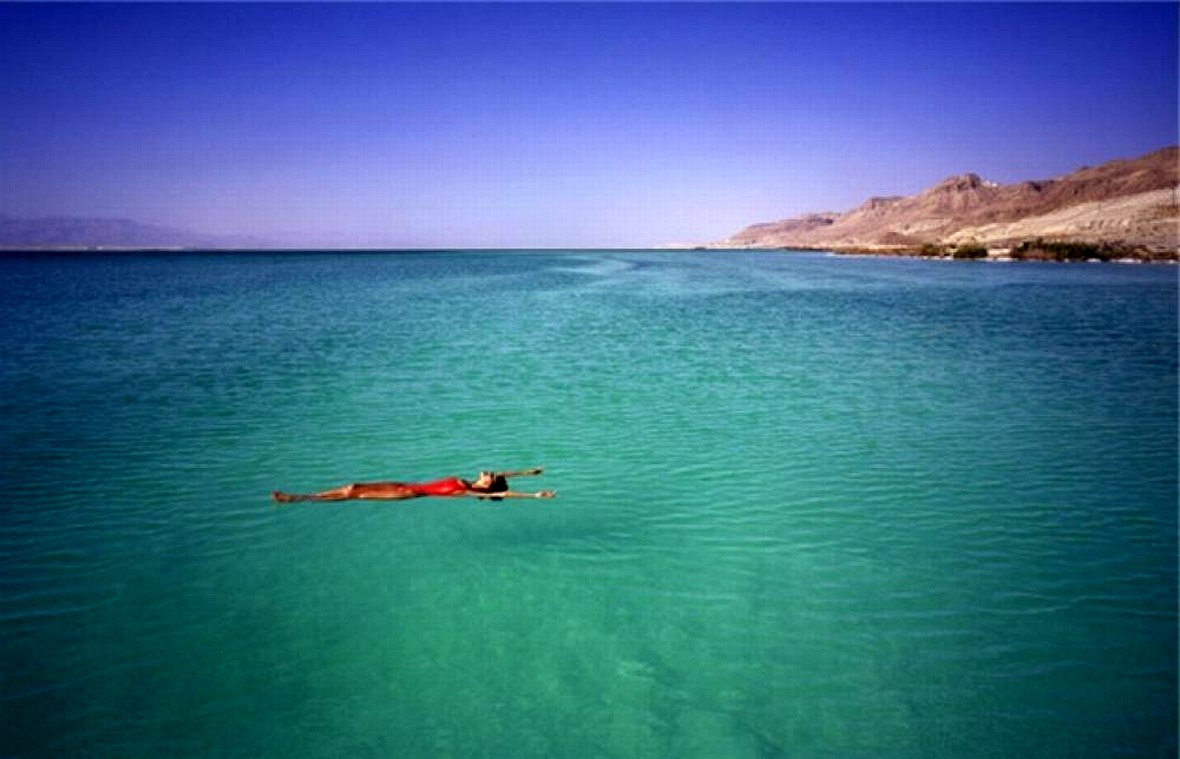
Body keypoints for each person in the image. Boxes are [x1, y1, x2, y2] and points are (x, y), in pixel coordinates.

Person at [272, 467, 555, 503]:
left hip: (406, 493)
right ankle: (305, 496)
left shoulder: (467, 490)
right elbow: (502, 480)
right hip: (405, 484)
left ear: (488, 486)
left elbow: (503, 491)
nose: (489, 471)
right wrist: (527, 472)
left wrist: (534, 494)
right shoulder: (472, 482)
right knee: (352, 484)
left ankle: (297, 499)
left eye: (490, 475)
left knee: (353, 495)